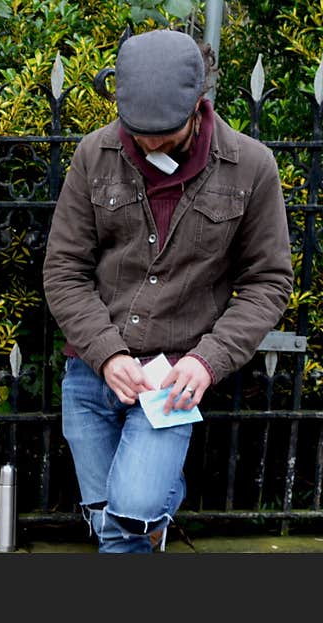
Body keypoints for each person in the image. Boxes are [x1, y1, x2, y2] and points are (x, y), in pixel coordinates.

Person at [42, 29, 294, 553]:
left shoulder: (252, 166)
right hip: (92, 371)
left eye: (164, 130)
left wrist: (208, 361)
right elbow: (64, 269)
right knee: (104, 518)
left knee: (128, 522)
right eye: (138, 129)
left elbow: (269, 282)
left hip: (174, 381)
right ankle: (154, 503)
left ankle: (150, 507)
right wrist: (107, 354)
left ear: (199, 103)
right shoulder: (94, 153)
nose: (149, 142)